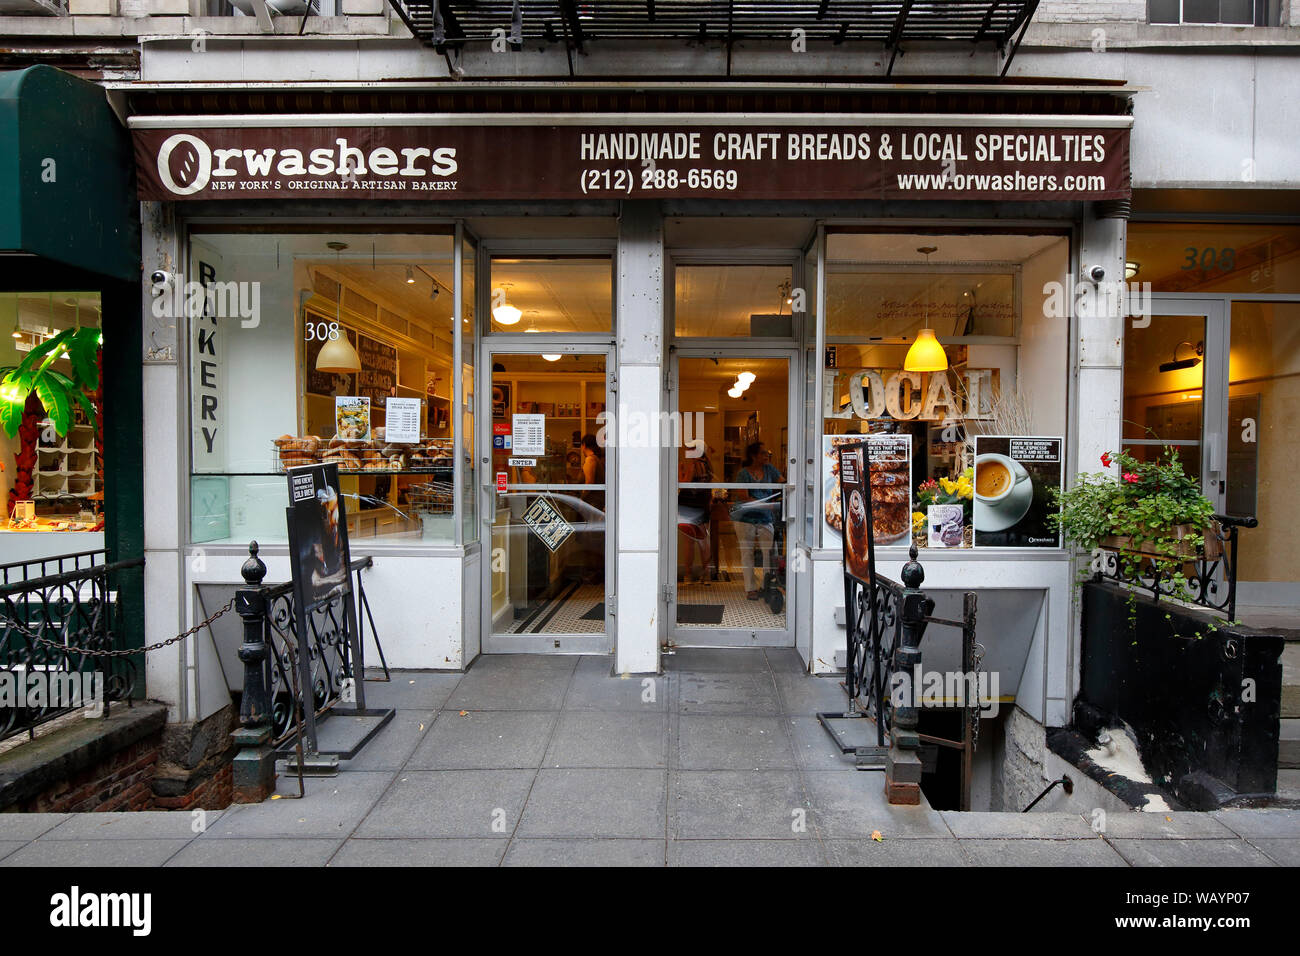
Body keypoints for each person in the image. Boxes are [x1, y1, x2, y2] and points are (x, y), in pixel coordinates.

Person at [733, 442, 783, 600]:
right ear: (754, 456)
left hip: (765, 517)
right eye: (763, 453)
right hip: (745, 517)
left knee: (769, 552)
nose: (766, 456)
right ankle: (751, 589)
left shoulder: (770, 469)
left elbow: (783, 483)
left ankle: (766, 585)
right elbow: (744, 497)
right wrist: (768, 505)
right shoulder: (743, 473)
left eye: (767, 453)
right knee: (747, 553)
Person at [677, 440, 713, 585]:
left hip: (689, 506)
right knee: (704, 540)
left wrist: (679, 471)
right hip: (702, 504)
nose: (687, 452)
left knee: (689, 542)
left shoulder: (694, 465)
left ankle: (687, 575)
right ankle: (707, 573)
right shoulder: (707, 465)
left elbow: (684, 483)